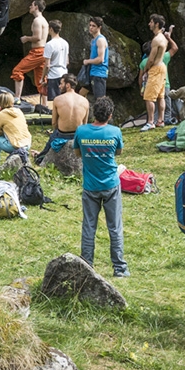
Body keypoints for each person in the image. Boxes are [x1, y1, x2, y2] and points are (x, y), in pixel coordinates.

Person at [73, 97, 129, 277]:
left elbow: (77, 153)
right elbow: (118, 151)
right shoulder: (115, 132)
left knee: (89, 226)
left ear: (92, 113)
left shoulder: (81, 131)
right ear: (110, 115)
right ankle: (119, 268)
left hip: (90, 186)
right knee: (115, 227)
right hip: (111, 184)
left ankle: (87, 265)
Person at [36, 74, 89, 163]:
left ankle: (40, 158)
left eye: (61, 83)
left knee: (45, 149)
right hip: (77, 135)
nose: (59, 86)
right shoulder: (85, 101)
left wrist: (56, 131)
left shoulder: (58, 99)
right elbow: (85, 124)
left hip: (62, 134)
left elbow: (54, 123)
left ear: (67, 85)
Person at [138, 22, 179, 127]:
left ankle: (151, 122)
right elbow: (174, 48)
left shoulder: (144, 63)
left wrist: (141, 88)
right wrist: (169, 38)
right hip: (166, 84)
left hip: (152, 82)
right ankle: (164, 121)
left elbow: (141, 78)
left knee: (151, 102)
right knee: (165, 104)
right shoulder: (164, 56)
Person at [11, 0, 48, 105]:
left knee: (17, 71)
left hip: (37, 52)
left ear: (36, 7)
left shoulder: (37, 20)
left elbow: (37, 37)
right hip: (43, 52)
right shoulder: (43, 20)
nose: (29, 7)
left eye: (31, 5)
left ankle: (17, 98)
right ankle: (44, 105)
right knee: (41, 79)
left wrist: (26, 38)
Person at [0, 92, 32, 163]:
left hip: (16, 145)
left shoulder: (1, 114)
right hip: (27, 143)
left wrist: (0, 131)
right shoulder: (19, 111)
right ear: (12, 101)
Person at [140, 14, 170, 132]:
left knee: (149, 97)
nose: (149, 24)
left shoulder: (156, 39)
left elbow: (151, 59)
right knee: (160, 96)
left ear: (157, 24)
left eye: (151, 22)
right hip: (162, 67)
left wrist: (146, 70)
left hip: (156, 68)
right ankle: (160, 121)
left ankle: (150, 122)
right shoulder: (163, 38)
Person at [81, 16, 109, 98]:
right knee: (82, 93)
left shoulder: (100, 40)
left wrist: (87, 61)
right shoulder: (93, 40)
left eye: (93, 26)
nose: (91, 28)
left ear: (99, 27)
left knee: (100, 99)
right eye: (90, 25)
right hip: (92, 72)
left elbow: (100, 59)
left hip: (99, 73)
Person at [42, 19, 69, 103]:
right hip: (64, 74)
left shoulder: (49, 44)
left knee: (55, 100)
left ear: (51, 29)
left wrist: (43, 77)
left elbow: (47, 65)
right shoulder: (65, 43)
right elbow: (67, 61)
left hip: (54, 75)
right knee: (64, 99)